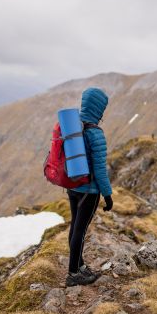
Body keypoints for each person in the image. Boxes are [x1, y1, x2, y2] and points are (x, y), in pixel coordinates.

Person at [66, 87, 114, 287]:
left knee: (75, 227)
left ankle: (80, 265)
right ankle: (73, 273)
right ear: (99, 109)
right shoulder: (95, 134)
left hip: (73, 187)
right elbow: (100, 170)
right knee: (81, 231)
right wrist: (108, 195)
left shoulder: (73, 128)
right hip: (90, 191)